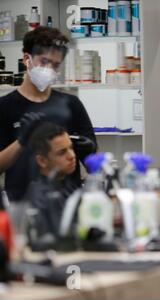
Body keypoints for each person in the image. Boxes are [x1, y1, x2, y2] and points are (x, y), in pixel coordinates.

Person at [0, 27, 97, 202]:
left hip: (68, 204)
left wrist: (90, 153)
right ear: (26, 59)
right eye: (44, 62)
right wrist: (21, 142)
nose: (49, 69)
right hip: (21, 205)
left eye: (55, 64)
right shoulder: (4, 107)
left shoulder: (71, 105)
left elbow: (94, 168)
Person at [26, 122, 79, 239]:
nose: (72, 156)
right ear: (42, 161)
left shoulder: (67, 185)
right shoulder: (40, 198)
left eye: (71, 148)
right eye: (62, 152)